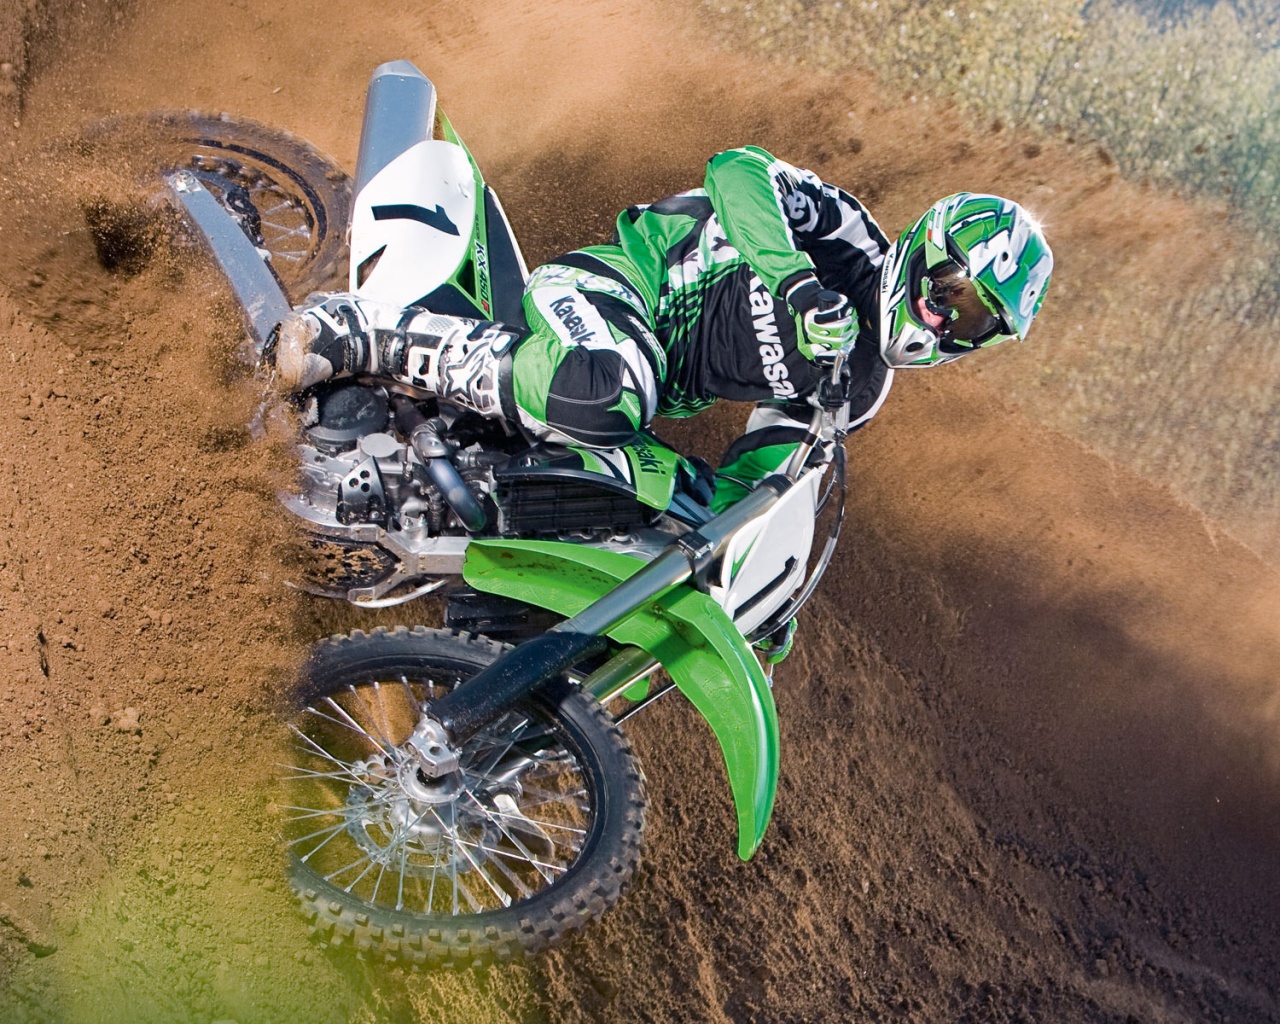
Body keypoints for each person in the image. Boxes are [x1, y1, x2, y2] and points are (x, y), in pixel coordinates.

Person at [270, 145, 1053, 513]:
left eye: (974, 319)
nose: (944, 316)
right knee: (612, 390)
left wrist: (758, 581)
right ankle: (363, 332)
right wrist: (797, 281)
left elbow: (760, 482)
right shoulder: (845, 238)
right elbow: (737, 170)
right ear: (924, 246)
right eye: (951, 287)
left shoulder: (858, 389)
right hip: (615, 290)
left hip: (640, 395)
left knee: (649, 506)